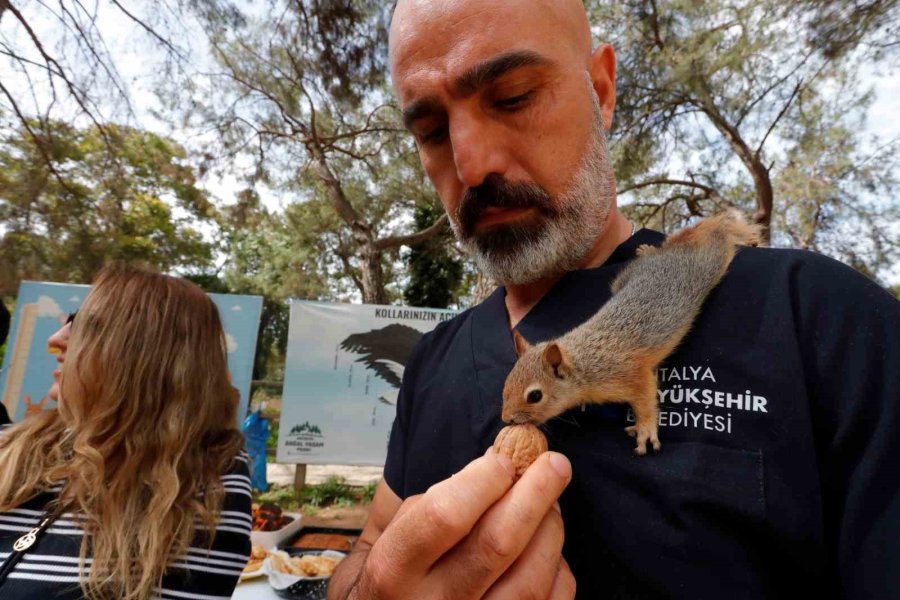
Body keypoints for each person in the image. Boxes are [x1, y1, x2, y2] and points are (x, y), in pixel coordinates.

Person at [328, 1, 900, 599]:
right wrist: (369, 590)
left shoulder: (821, 316)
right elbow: (367, 547)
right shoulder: (430, 361)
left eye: (514, 97)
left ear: (601, 90)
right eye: (430, 131)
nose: (471, 165)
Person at [0, 264, 252, 600]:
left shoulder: (208, 482)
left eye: (84, 324)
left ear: (143, 355)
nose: (56, 339)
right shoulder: (14, 446)